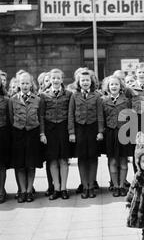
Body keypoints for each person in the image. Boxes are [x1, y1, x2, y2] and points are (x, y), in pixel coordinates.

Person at [68, 69, 104, 199]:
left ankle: (91, 185)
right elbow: (70, 115)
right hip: (79, 130)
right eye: (82, 80)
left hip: (93, 129)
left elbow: (100, 115)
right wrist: (71, 132)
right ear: (78, 82)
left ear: (91, 82)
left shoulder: (97, 96)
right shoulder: (74, 96)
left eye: (87, 80)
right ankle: (85, 186)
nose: (85, 82)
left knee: (93, 158)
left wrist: (100, 131)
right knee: (82, 158)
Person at [9, 72, 43, 203]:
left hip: (32, 134)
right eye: (22, 83)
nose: (24, 85)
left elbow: (40, 117)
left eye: (27, 83)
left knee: (31, 164)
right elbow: (11, 117)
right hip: (18, 134)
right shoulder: (13, 100)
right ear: (18, 84)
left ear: (31, 84)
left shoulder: (37, 99)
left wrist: (41, 133)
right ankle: (22, 191)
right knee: (20, 165)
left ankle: (29, 191)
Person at [40, 69, 72, 200]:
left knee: (63, 159)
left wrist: (71, 132)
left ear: (62, 79)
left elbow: (70, 114)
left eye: (58, 78)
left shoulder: (69, 94)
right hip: (50, 130)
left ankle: (64, 188)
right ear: (50, 79)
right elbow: (41, 116)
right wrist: (42, 133)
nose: (56, 80)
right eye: (53, 78)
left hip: (63, 129)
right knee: (52, 160)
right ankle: (56, 188)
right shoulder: (43, 95)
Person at [102, 75, 131, 197]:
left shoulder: (126, 101)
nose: (114, 86)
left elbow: (131, 117)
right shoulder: (103, 100)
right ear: (108, 87)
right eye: (111, 84)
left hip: (123, 132)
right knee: (112, 160)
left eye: (116, 84)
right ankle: (115, 186)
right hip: (110, 133)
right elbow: (101, 117)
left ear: (121, 87)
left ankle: (122, 185)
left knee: (123, 160)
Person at [0, 78, 10, 203]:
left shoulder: (6, 100)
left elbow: (10, 119)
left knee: (1, 164)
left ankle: (1, 191)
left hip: (2, 134)